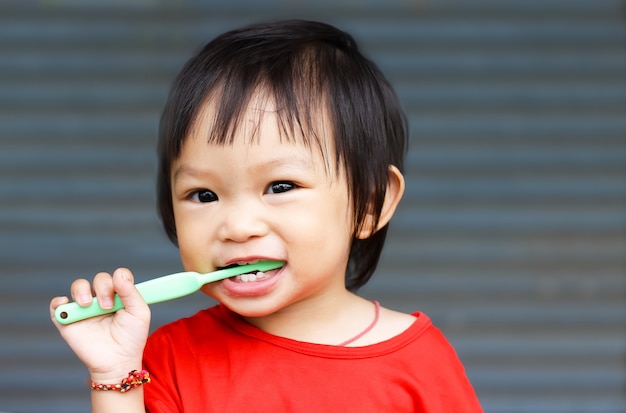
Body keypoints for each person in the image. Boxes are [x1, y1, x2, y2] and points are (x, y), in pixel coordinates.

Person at [50, 19, 482, 412]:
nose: (237, 227)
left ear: (370, 203)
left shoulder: (421, 360)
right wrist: (113, 377)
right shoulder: (165, 358)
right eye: (203, 194)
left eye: (280, 187)